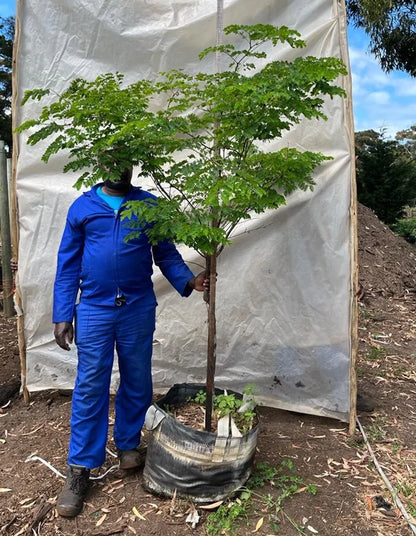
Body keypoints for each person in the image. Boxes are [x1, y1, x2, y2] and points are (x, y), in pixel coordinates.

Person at [53, 165, 208, 517]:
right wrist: (63, 312)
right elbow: (67, 263)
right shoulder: (83, 207)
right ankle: (80, 469)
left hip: (138, 307)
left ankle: (127, 444)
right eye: (110, 162)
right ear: (100, 163)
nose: (117, 170)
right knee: (90, 385)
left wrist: (188, 281)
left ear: (133, 166)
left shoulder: (149, 206)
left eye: (124, 163)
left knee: (138, 378)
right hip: (93, 309)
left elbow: (165, 254)